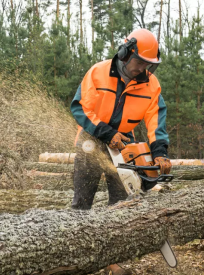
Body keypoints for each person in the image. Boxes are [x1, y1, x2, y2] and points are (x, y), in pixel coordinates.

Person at [70, 28, 172, 210]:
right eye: (139, 61)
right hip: (93, 136)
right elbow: (80, 108)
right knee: (82, 202)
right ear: (126, 52)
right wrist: (107, 133)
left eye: (147, 64)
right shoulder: (98, 72)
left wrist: (160, 152)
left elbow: (156, 121)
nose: (142, 68)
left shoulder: (151, 85)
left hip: (124, 142)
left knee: (123, 203)